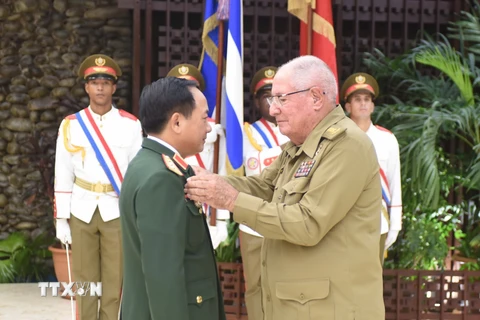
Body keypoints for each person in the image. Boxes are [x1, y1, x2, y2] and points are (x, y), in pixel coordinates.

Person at [185, 55, 385, 320]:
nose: (274, 108)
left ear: (315, 97)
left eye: (282, 98)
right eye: (272, 99)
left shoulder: (347, 145)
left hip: (333, 310)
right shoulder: (300, 146)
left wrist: (231, 200)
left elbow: (308, 223)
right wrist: (210, 183)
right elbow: (263, 188)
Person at [119, 77, 226, 320]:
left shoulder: (150, 164)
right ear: (177, 122)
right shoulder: (161, 178)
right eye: (204, 118)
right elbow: (163, 274)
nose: (209, 127)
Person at [54, 54, 143, 320]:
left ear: (114, 87)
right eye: (95, 82)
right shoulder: (71, 125)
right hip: (82, 210)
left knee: (114, 282)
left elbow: (137, 173)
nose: (100, 87)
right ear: (86, 87)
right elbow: (63, 171)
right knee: (85, 283)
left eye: (106, 82)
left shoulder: (130, 124)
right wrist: (61, 218)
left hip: (116, 210)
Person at [241, 66, 289, 320]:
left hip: (287, 217)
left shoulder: (297, 130)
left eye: (278, 97)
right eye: (266, 97)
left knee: (287, 283)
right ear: (257, 101)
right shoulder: (246, 133)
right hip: (253, 221)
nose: (272, 103)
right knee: (256, 285)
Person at [341, 72, 403, 263]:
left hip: (378, 221)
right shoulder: (337, 137)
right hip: (343, 221)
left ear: (373, 106)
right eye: (357, 99)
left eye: (367, 99)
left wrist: (395, 223)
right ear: (348, 106)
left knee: (373, 281)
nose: (363, 104)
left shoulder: (387, 139)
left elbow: (394, 181)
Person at [166, 63, 229, 248]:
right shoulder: (160, 124)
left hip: (205, 209)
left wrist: (222, 217)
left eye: (191, 90)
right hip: (172, 207)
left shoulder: (214, 128)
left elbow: (220, 172)